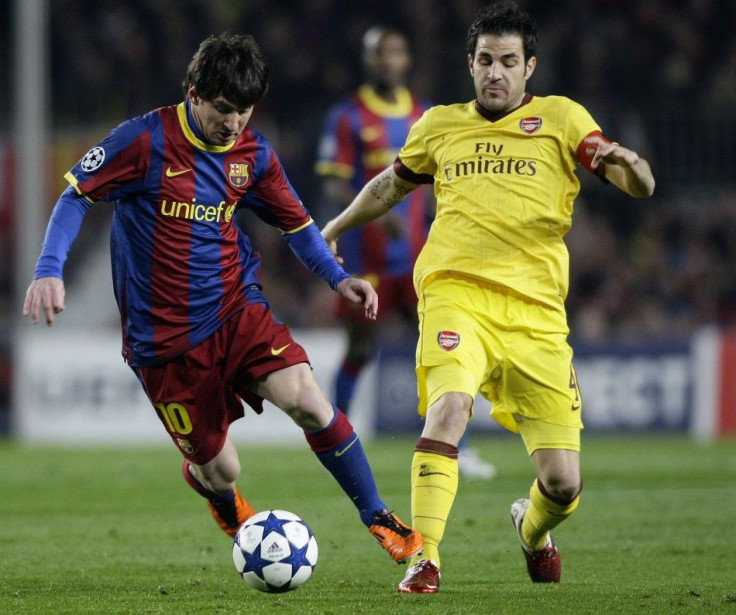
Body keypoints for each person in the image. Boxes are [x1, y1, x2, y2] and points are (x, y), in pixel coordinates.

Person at [23, 32, 422, 566]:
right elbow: (75, 197)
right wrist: (49, 270)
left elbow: (298, 225)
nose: (234, 123)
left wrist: (335, 277)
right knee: (221, 469)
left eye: (245, 111)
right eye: (224, 109)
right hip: (163, 342)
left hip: (236, 309)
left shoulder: (253, 154)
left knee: (307, 398)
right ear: (194, 92)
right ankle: (223, 498)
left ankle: (379, 516)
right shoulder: (144, 140)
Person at [322, 1, 655, 593]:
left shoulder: (563, 118)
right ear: (469, 65)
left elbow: (632, 181)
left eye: (507, 61)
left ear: (530, 67)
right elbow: (387, 186)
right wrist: (333, 230)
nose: (494, 72)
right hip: (455, 294)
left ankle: (531, 530)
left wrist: (634, 167)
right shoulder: (440, 124)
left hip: (537, 317)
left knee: (562, 485)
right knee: (449, 406)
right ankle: (424, 558)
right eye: (484, 61)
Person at [315, 25, 496, 480]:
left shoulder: (427, 115)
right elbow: (334, 180)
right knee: (359, 346)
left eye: (394, 52)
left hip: (421, 258)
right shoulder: (348, 116)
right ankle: (333, 438)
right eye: (379, 54)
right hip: (366, 258)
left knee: (447, 346)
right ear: (368, 60)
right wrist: (375, 210)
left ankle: (461, 446)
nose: (387, 61)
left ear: (407, 59)